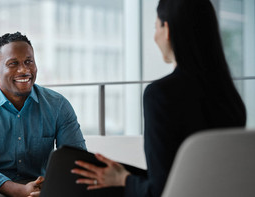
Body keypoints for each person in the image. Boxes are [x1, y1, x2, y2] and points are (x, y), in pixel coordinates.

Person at [70, 0, 247, 196]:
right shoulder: (232, 99)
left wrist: (123, 179)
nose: (155, 37)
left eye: (156, 27)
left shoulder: (161, 96)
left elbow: (161, 191)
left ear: (167, 29)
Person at [0, 32, 87, 197]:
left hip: (40, 186)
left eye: (28, 62)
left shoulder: (58, 105)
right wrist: (19, 190)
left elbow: (75, 160)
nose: (24, 70)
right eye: (13, 63)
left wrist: (52, 186)